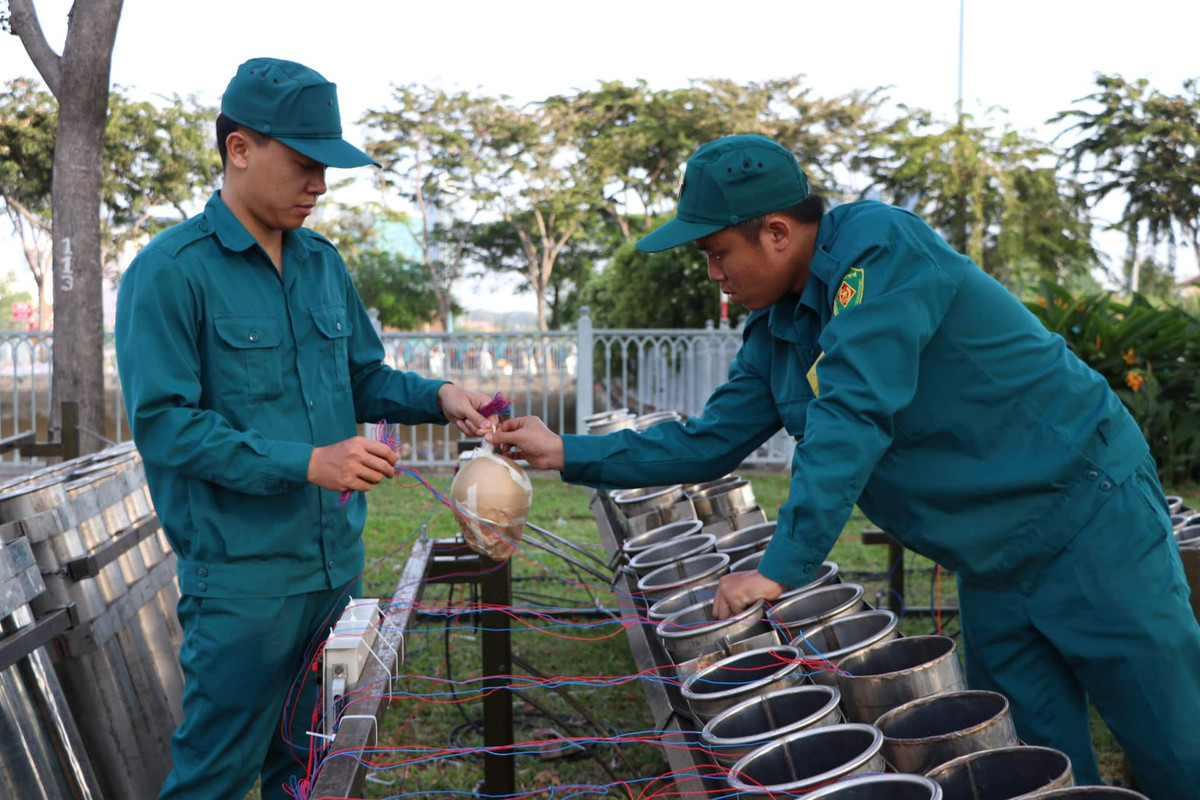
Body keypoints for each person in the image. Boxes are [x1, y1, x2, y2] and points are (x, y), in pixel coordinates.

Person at [486, 134, 1200, 797]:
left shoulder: (881, 253)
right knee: (1034, 765)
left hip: (1086, 516)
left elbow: (852, 409)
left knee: (1173, 741)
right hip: (991, 555)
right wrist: (566, 451)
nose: (714, 276)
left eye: (716, 252)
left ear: (776, 230)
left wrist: (779, 565)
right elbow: (708, 441)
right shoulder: (778, 328)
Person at [115, 57, 497, 800]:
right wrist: (307, 462)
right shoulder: (169, 273)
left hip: (335, 571)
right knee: (216, 775)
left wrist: (442, 394)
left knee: (313, 764)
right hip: (243, 582)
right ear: (239, 149)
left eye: (327, 167)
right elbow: (166, 427)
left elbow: (364, 378)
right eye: (304, 164)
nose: (319, 185)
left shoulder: (323, 264)